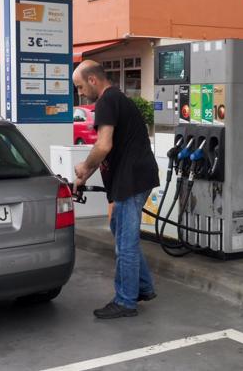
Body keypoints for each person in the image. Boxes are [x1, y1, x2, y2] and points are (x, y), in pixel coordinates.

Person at [72, 60, 159, 319]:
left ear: (93, 80)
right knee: (119, 230)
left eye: (79, 87)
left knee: (125, 241)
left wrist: (84, 166)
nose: (79, 93)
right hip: (133, 177)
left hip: (131, 179)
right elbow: (105, 147)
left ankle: (125, 301)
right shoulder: (117, 99)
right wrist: (84, 174)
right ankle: (142, 287)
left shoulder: (107, 102)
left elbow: (103, 145)